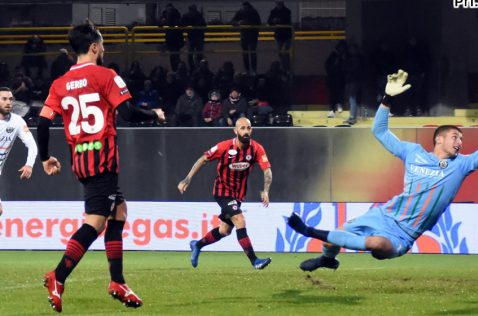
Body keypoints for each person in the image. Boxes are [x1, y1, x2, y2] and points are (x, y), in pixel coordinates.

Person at [287, 70, 478, 270]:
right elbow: (379, 131)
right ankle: (327, 259)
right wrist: (387, 98)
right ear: (439, 139)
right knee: (333, 238)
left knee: (377, 244)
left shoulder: (462, 165)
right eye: (455, 137)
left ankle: (309, 232)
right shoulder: (414, 153)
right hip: (383, 216)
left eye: (462, 139)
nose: (460, 142)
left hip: (404, 233)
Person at [37, 21, 165, 313]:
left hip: (81, 159)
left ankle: (117, 281)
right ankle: (58, 276)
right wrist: (154, 114)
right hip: (102, 160)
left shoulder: (59, 84)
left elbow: (43, 122)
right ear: (94, 47)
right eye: (103, 44)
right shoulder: (106, 76)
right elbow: (129, 114)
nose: (104, 49)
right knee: (95, 221)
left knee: (119, 212)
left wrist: (45, 158)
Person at [178, 117, 273, 270]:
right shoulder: (224, 147)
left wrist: (266, 190)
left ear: (251, 130)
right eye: (242, 128)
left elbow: (267, 171)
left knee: (225, 230)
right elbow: (203, 159)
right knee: (240, 220)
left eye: (248, 128)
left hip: (238, 195)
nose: (246, 131)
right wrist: (187, 179)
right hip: (222, 191)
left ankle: (197, 244)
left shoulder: (256, 149)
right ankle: (254, 260)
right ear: (235, 131)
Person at [0, 87, 37, 217]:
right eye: (4, 99)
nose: (8, 102)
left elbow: (32, 145)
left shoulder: (17, 121)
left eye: (10, 99)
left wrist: (29, 164)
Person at [232, 2, 262, 75]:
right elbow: (232, 21)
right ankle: (247, 70)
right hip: (244, 36)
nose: (245, 9)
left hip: (253, 35)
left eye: (246, 8)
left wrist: (249, 23)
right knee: (245, 53)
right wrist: (239, 22)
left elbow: (259, 23)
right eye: (244, 8)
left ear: (249, 7)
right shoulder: (240, 12)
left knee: (252, 53)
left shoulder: (254, 12)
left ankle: (254, 70)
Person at [267, 1, 292, 71]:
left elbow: (288, 20)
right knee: (280, 52)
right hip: (280, 34)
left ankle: (287, 68)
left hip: (286, 33)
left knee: (286, 52)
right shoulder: (273, 11)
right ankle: (285, 67)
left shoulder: (287, 11)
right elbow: (269, 22)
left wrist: (278, 20)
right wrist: (273, 21)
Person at [182, 5, 207, 71]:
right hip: (195, 37)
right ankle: (195, 68)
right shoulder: (198, 15)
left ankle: (198, 68)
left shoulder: (196, 15)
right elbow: (204, 25)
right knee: (194, 54)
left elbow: (203, 25)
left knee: (196, 54)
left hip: (195, 37)